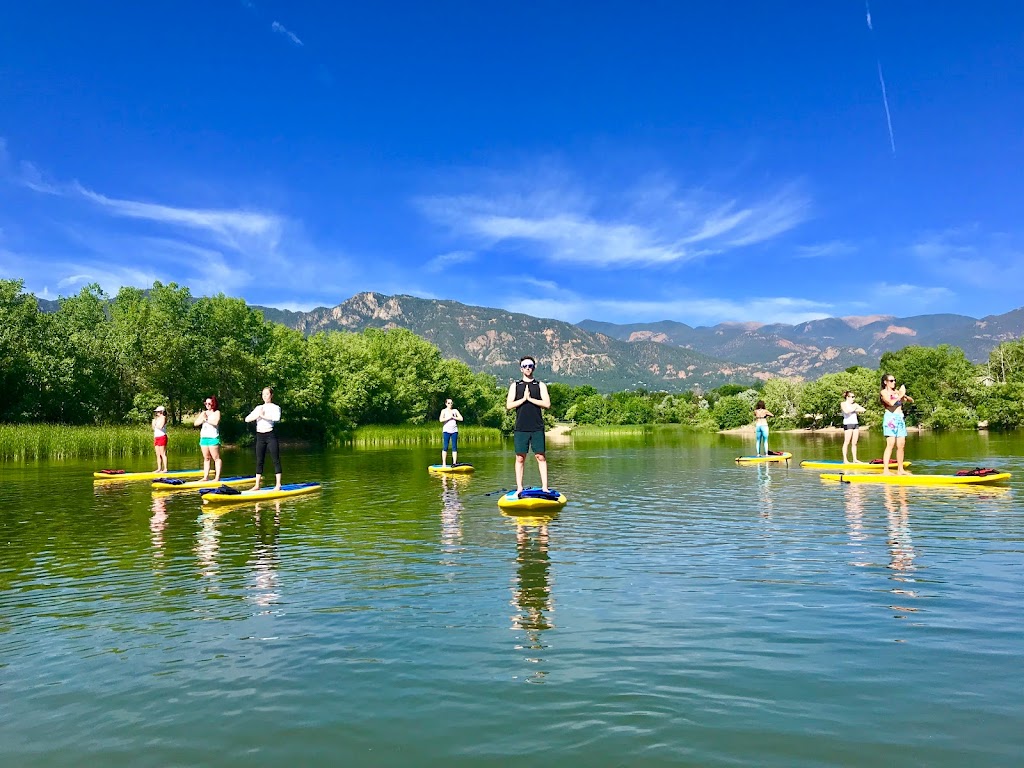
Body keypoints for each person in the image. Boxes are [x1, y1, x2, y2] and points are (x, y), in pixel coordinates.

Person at [506, 355, 551, 495]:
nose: (528, 368)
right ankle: (519, 487)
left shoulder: (540, 385)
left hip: (537, 426)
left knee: (540, 456)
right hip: (521, 427)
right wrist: (523, 399)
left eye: (530, 366)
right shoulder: (515, 385)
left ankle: (544, 487)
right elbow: (509, 405)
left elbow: (547, 404)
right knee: (520, 457)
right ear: (521, 368)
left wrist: (530, 399)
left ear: (534, 367)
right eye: (525, 366)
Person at [245, 386, 282, 491]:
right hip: (260, 436)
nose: (265, 396)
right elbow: (247, 419)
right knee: (259, 460)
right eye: (263, 394)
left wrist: (263, 416)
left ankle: (278, 485)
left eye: (267, 394)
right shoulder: (259, 408)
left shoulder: (275, 407)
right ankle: (257, 485)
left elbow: (277, 418)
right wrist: (258, 415)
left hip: (270, 435)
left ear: (271, 395)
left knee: (275, 459)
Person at [880, 374, 914, 475]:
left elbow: (911, 401)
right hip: (891, 419)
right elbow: (890, 403)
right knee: (890, 444)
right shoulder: (884, 392)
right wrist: (900, 395)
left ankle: (900, 469)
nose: (894, 382)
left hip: (900, 418)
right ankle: (886, 470)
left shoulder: (897, 392)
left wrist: (904, 395)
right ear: (885, 382)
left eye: (894, 380)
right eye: (891, 380)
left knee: (901, 445)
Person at [193, 395, 222, 482]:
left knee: (216, 458)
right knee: (206, 458)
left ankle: (217, 478)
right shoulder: (203, 413)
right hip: (204, 437)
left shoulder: (216, 412)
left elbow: (216, 422)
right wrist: (202, 419)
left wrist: (206, 419)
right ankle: (205, 477)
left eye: (209, 403)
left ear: (213, 403)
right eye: (206, 403)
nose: (207, 405)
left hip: (213, 437)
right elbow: (196, 423)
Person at [840, 391, 867, 463]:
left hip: (855, 424)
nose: (853, 398)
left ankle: (855, 459)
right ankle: (845, 459)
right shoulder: (843, 404)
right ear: (847, 397)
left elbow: (863, 410)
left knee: (854, 443)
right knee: (846, 442)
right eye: (852, 397)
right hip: (848, 424)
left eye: (854, 397)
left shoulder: (855, 405)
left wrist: (854, 408)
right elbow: (846, 411)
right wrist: (854, 409)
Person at [438, 398, 463, 467]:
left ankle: (454, 463)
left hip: (454, 431)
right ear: (446, 404)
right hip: (446, 431)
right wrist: (449, 418)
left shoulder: (455, 411)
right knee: (445, 447)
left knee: (454, 447)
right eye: (449, 403)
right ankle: (444, 463)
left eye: (451, 403)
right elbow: (440, 420)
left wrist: (454, 417)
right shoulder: (444, 411)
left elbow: (461, 418)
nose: (450, 404)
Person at [152, 405, 168, 473]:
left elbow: (160, 427)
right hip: (156, 437)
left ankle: (165, 469)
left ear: (161, 412)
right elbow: (153, 428)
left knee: (162, 453)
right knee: (158, 454)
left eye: (158, 412)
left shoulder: (163, 418)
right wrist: (153, 424)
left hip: (162, 436)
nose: (156, 413)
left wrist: (155, 424)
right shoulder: (156, 419)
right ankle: (159, 468)